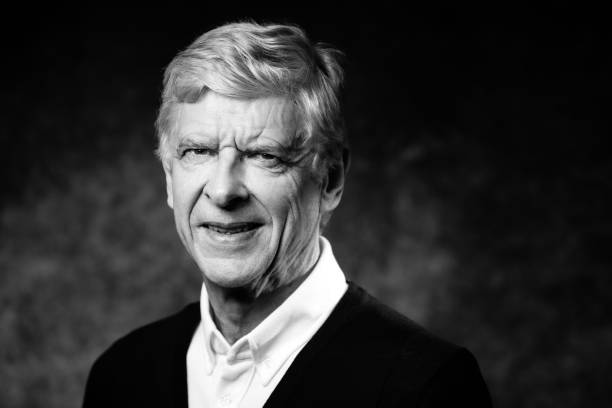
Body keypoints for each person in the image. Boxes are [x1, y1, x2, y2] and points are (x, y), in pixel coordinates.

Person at [82, 21, 492, 407]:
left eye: (264, 155)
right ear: (170, 178)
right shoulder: (121, 376)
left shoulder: (428, 388)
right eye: (198, 152)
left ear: (330, 180)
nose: (223, 190)